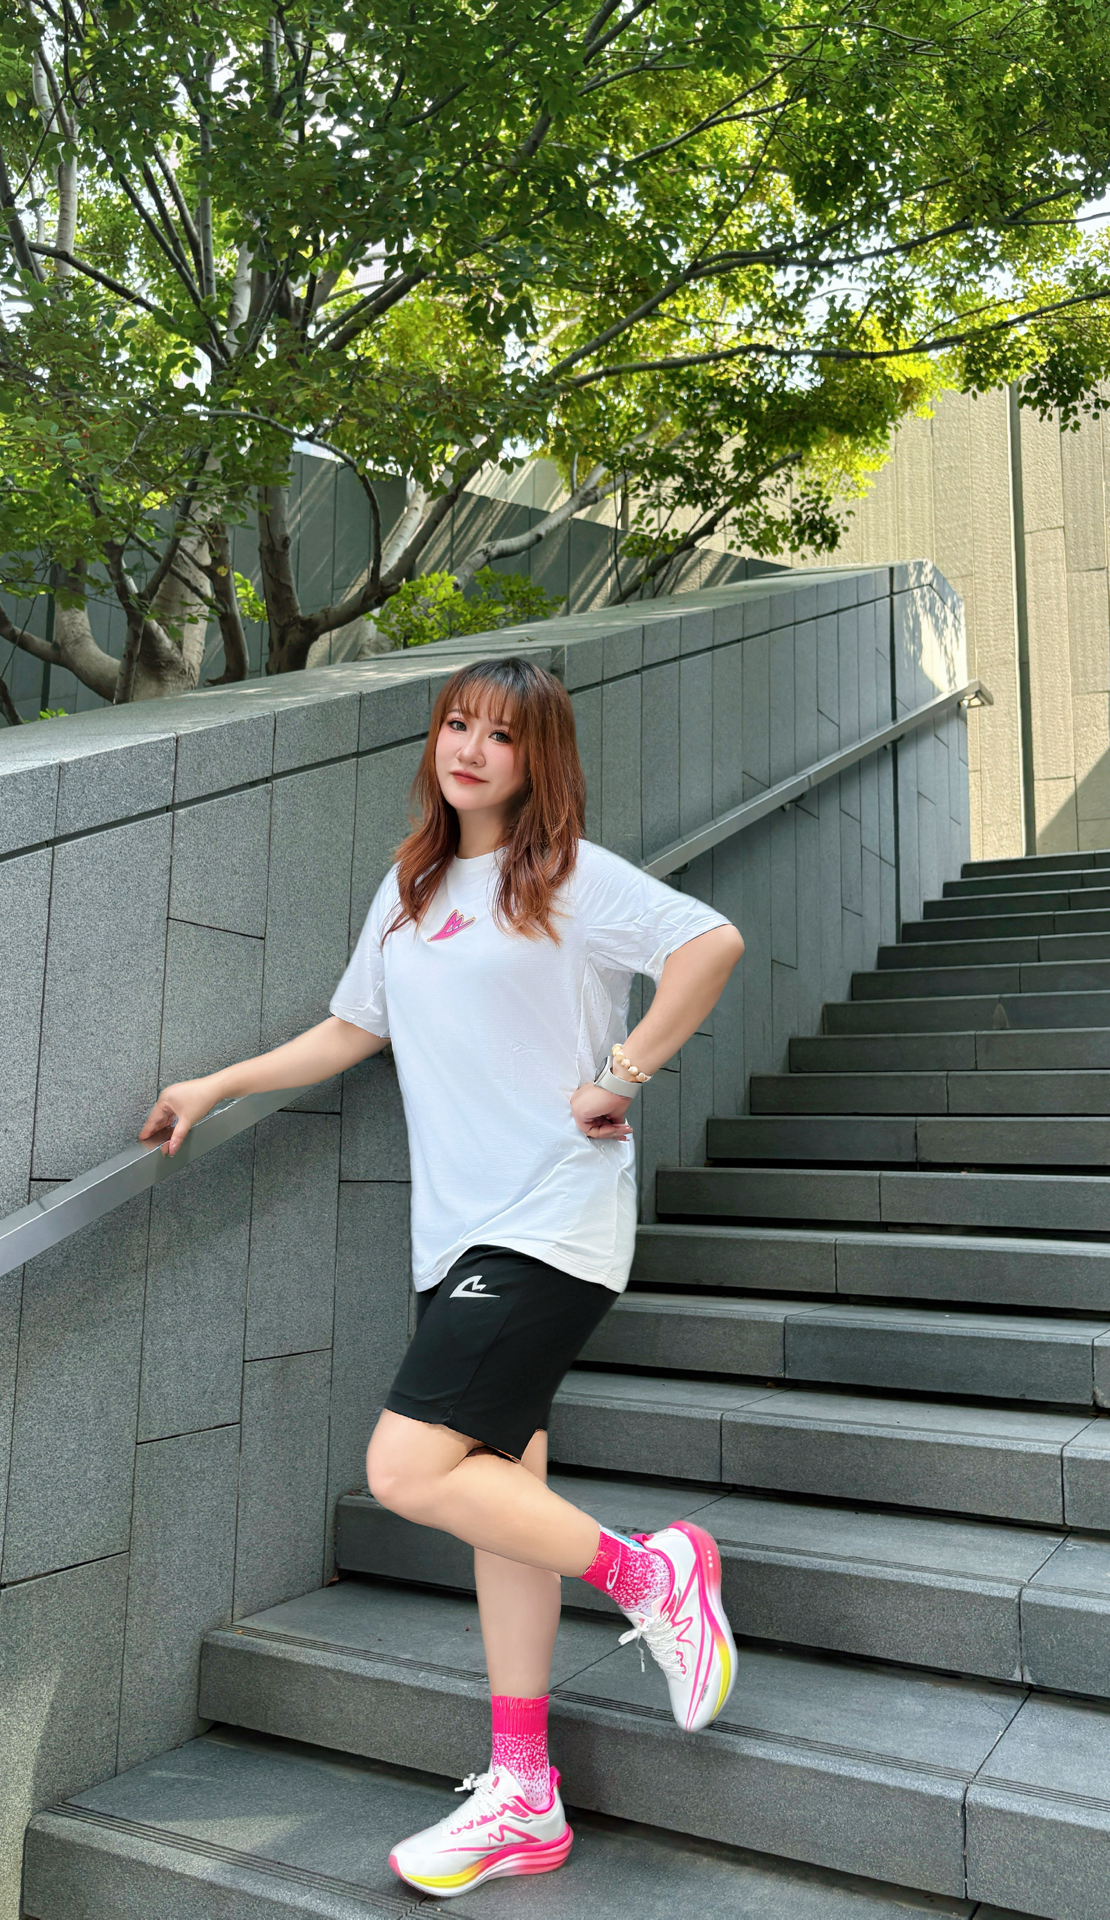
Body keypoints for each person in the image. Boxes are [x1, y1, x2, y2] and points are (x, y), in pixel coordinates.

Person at [141, 656, 745, 1898]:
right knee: (499, 1498)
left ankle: (654, 1574)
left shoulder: (568, 876)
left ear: (539, 757)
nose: (469, 748)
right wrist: (219, 1083)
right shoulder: (412, 887)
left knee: (407, 1470)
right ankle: (524, 1792)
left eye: (500, 734)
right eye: (456, 724)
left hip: (549, 1221)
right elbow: (353, 1028)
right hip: (455, 1234)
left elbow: (709, 942)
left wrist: (620, 1075)